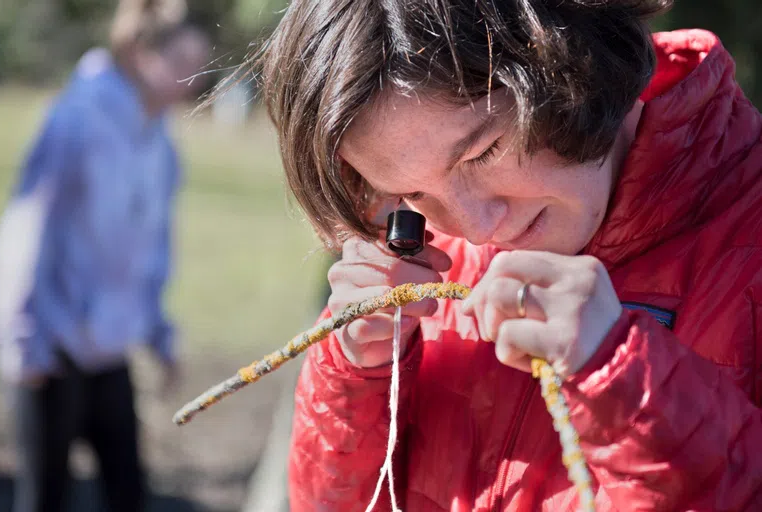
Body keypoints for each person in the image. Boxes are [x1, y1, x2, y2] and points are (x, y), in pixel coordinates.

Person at [245, 0, 762, 510]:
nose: (478, 227)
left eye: (483, 152)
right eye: (413, 195)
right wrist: (355, 375)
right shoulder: (430, 261)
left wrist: (625, 378)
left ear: (571, 55)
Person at [0, 1, 210, 511]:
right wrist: (23, 336)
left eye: (198, 68)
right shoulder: (76, 120)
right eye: (179, 66)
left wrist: (157, 330)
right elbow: (28, 229)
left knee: (128, 492)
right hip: (53, 347)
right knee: (44, 497)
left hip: (110, 351)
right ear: (139, 53)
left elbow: (153, 246)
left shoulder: (161, 143)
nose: (191, 83)